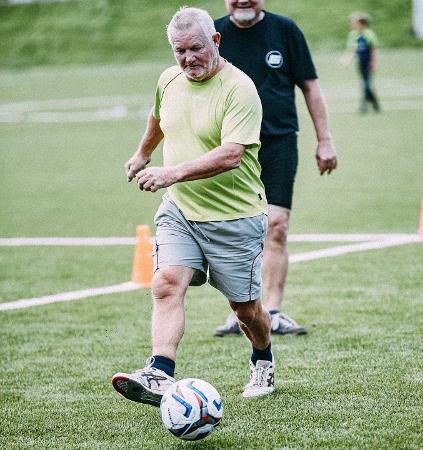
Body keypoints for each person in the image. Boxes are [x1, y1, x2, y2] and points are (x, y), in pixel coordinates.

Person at [111, 6, 276, 404]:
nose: (188, 60)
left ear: (215, 41)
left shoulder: (239, 89)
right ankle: (159, 372)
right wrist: (142, 154)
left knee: (245, 310)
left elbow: (232, 155)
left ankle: (263, 358)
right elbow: (158, 118)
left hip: (234, 217)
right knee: (166, 284)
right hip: (181, 211)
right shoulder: (169, 80)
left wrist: (170, 173)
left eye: (196, 49)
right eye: (179, 51)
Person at [213, 0, 337, 337]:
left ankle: (274, 310)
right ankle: (241, 311)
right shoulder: (213, 34)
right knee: (234, 233)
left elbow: (310, 86)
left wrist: (324, 139)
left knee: (277, 226)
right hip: (229, 148)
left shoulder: (285, 30)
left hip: (279, 142)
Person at [340, 11, 381, 113]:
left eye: (354, 22)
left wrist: (374, 62)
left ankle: (364, 106)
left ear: (361, 23)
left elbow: (373, 49)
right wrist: (346, 59)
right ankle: (375, 104)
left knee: (366, 83)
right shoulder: (353, 35)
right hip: (360, 62)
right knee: (365, 83)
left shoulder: (369, 34)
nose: (352, 24)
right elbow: (352, 49)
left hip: (368, 62)